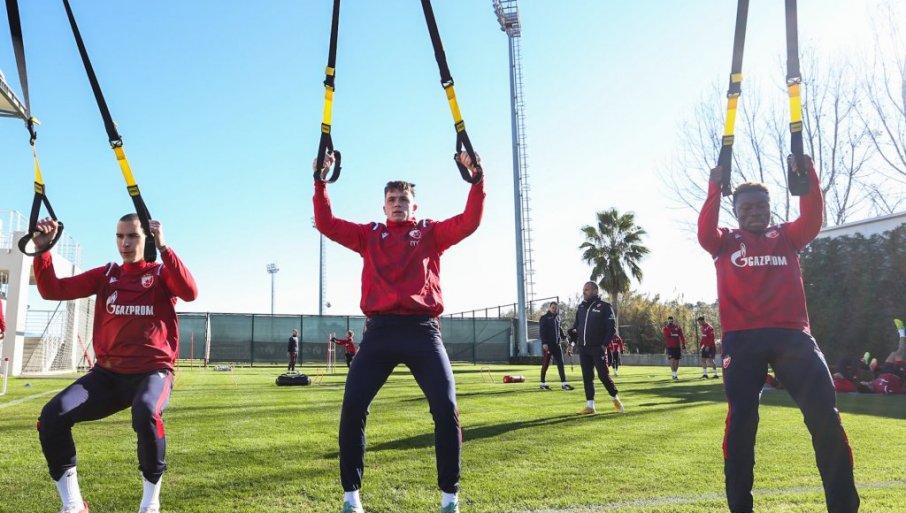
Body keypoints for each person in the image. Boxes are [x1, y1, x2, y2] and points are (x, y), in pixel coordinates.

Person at [313, 151, 482, 513]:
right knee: (353, 406)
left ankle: (450, 498)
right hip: (380, 332)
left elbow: (469, 222)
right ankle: (351, 497)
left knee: (446, 408)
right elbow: (326, 223)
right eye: (392, 199)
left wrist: (476, 179)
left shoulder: (430, 233)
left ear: (413, 205)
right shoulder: (369, 235)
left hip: (422, 332)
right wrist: (320, 181)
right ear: (384, 206)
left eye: (403, 199)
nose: (397, 204)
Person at [698, 155, 859, 513]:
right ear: (736, 212)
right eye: (747, 207)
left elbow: (812, 218)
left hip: (793, 337)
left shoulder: (786, 236)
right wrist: (714, 187)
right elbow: (705, 233)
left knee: (825, 418)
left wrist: (806, 174)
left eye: (761, 206)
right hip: (743, 339)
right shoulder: (725, 241)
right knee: (741, 423)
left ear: (770, 208)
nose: (755, 212)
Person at [31, 215, 198, 513]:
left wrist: (165, 248)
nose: (125, 243)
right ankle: (73, 505)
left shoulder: (161, 273)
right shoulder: (107, 274)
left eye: (132, 236)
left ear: (147, 238)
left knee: (146, 412)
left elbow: (190, 292)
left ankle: (150, 504)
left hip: (152, 373)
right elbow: (52, 290)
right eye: (120, 236)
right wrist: (43, 250)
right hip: (107, 376)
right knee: (52, 416)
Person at [571, 281, 624, 415]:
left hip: (598, 348)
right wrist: (572, 343)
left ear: (595, 291)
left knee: (603, 375)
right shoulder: (581, 307)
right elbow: (576, 327)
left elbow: (611, 329)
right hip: (583, 349)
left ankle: (615, 399)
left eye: (587, 289)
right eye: (583, 289)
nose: (584, 292)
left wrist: (604, 345)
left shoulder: (605, 307)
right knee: (587, 377)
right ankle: (590, 406)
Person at [538, 302, 574, 390]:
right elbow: (542, 332)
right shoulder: (544, 318)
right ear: (549, 308)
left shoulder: (558, 318)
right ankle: (542, 383)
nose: (554, 309)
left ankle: (564, 384)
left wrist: (564, 338)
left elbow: (559, 329)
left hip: (557, 345)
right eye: (553, 307)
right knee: (546, 364)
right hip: (548, 345)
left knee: (561, 363)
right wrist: (544, 343)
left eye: (556, 308)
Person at [663, 316, 686, 380]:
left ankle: (675, 373)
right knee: (672, 360)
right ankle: (674, 374)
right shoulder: (666, 328)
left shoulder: (677, 327)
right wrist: (670, 329)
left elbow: (681, 336)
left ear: (673, 321)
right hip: (670, 347)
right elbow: (667, 335)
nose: (670, 322)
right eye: (669, 321)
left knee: (677, 361)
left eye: (671, 321)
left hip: (677, 346)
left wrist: (683, 344)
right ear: (668, 321)